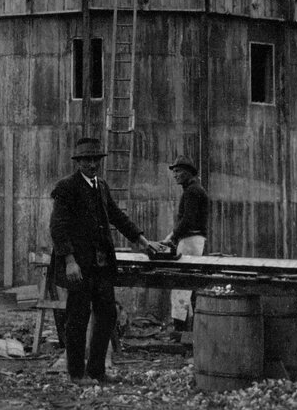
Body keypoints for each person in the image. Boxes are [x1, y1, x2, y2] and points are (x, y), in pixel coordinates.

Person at [49, 137, 161, 385]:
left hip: (101, 265)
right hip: (79, 266)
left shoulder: (102, 187)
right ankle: (77, 374)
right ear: (78, 163)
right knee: (77, 319)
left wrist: (143, 241)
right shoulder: (66, 188)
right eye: (87, 160)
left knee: (107, 314)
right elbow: (57, 227)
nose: (92, 164)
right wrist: (69, 260)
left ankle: (97, 370)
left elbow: (117, 217)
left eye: (95, 160)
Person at [160, 154, 209, 333]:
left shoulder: (192, 191)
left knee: (181, 286)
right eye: (174, 171)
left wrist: (171, 238)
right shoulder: (194, 189)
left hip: (190, 241)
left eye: (178, 171)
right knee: (186, 286)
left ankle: (181, 331)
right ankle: (186, 330)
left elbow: (187, 220)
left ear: (188, 173)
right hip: (191, 240)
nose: (175, 175)